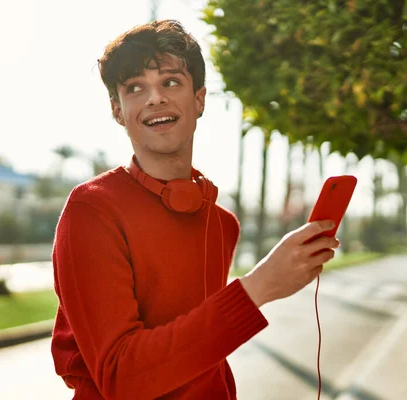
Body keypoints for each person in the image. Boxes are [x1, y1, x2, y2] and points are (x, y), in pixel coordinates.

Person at [50, 19, 340, 400]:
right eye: (135, 88)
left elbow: (202, 354)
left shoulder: (221, 224)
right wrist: (256, 290)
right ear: (118, 111)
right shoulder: (92, 211)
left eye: (170, 82)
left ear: (199, 99)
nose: (155, 98)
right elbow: (122, 377)